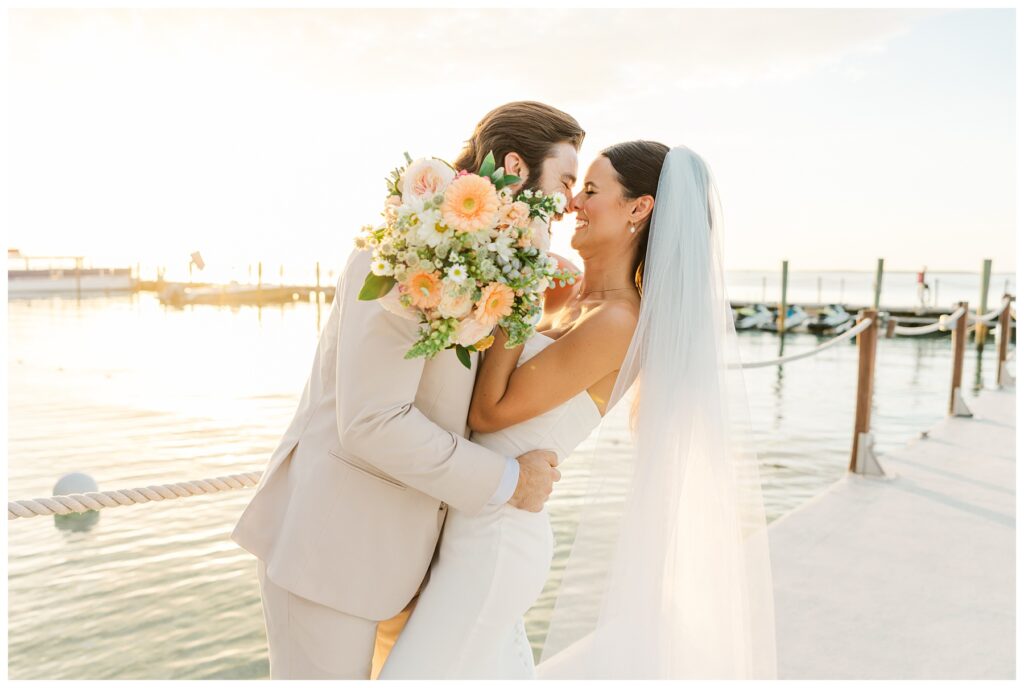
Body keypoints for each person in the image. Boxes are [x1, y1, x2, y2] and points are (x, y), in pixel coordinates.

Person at [379, 143, 777, 679]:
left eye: (591, 191)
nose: (573, 206)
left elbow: (491, 413)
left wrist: (516, 296)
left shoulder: (617, 321)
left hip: (495, 541)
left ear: (639, 209)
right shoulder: (570, 297)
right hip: (473, 522)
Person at [229, 101, 585, 680]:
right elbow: (373, 421)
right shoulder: (403, 256)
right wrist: (510, 482)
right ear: (516, 169)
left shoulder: (500, 268)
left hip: (410, 562)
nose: (570, 202)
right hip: (333, 550)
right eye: (566, 180)